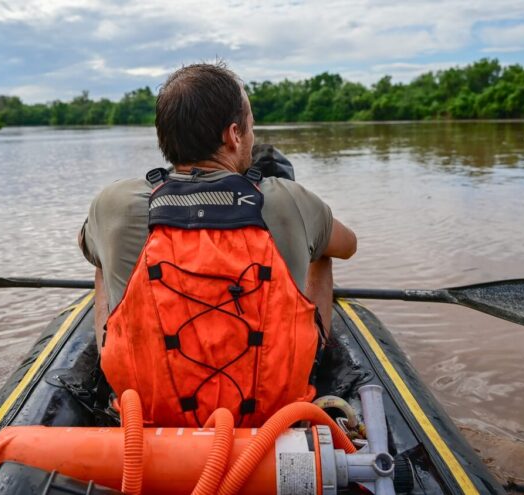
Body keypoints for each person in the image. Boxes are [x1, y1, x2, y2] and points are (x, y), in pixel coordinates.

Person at [79, 63, 356, 427]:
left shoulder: (113, 203)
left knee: (102, 257)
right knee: (322, 252)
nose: (253, 137)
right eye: (251, 127)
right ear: (233, 135)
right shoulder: (289, 200)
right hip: (273, 411)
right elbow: (347, 245)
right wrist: (306, 237)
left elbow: (84, 245)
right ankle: (313, 357)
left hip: (149, 413)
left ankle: (120, 370)